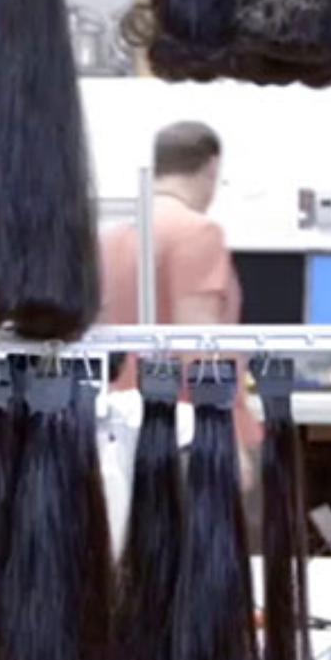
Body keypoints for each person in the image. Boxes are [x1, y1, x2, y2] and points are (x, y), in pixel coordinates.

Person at [99, 121, 261, 451]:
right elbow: (200, 345)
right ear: (212, 167)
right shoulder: (197, 232)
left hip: (122, 425)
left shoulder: (112, 235)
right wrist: (226, 437)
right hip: (188, 431)